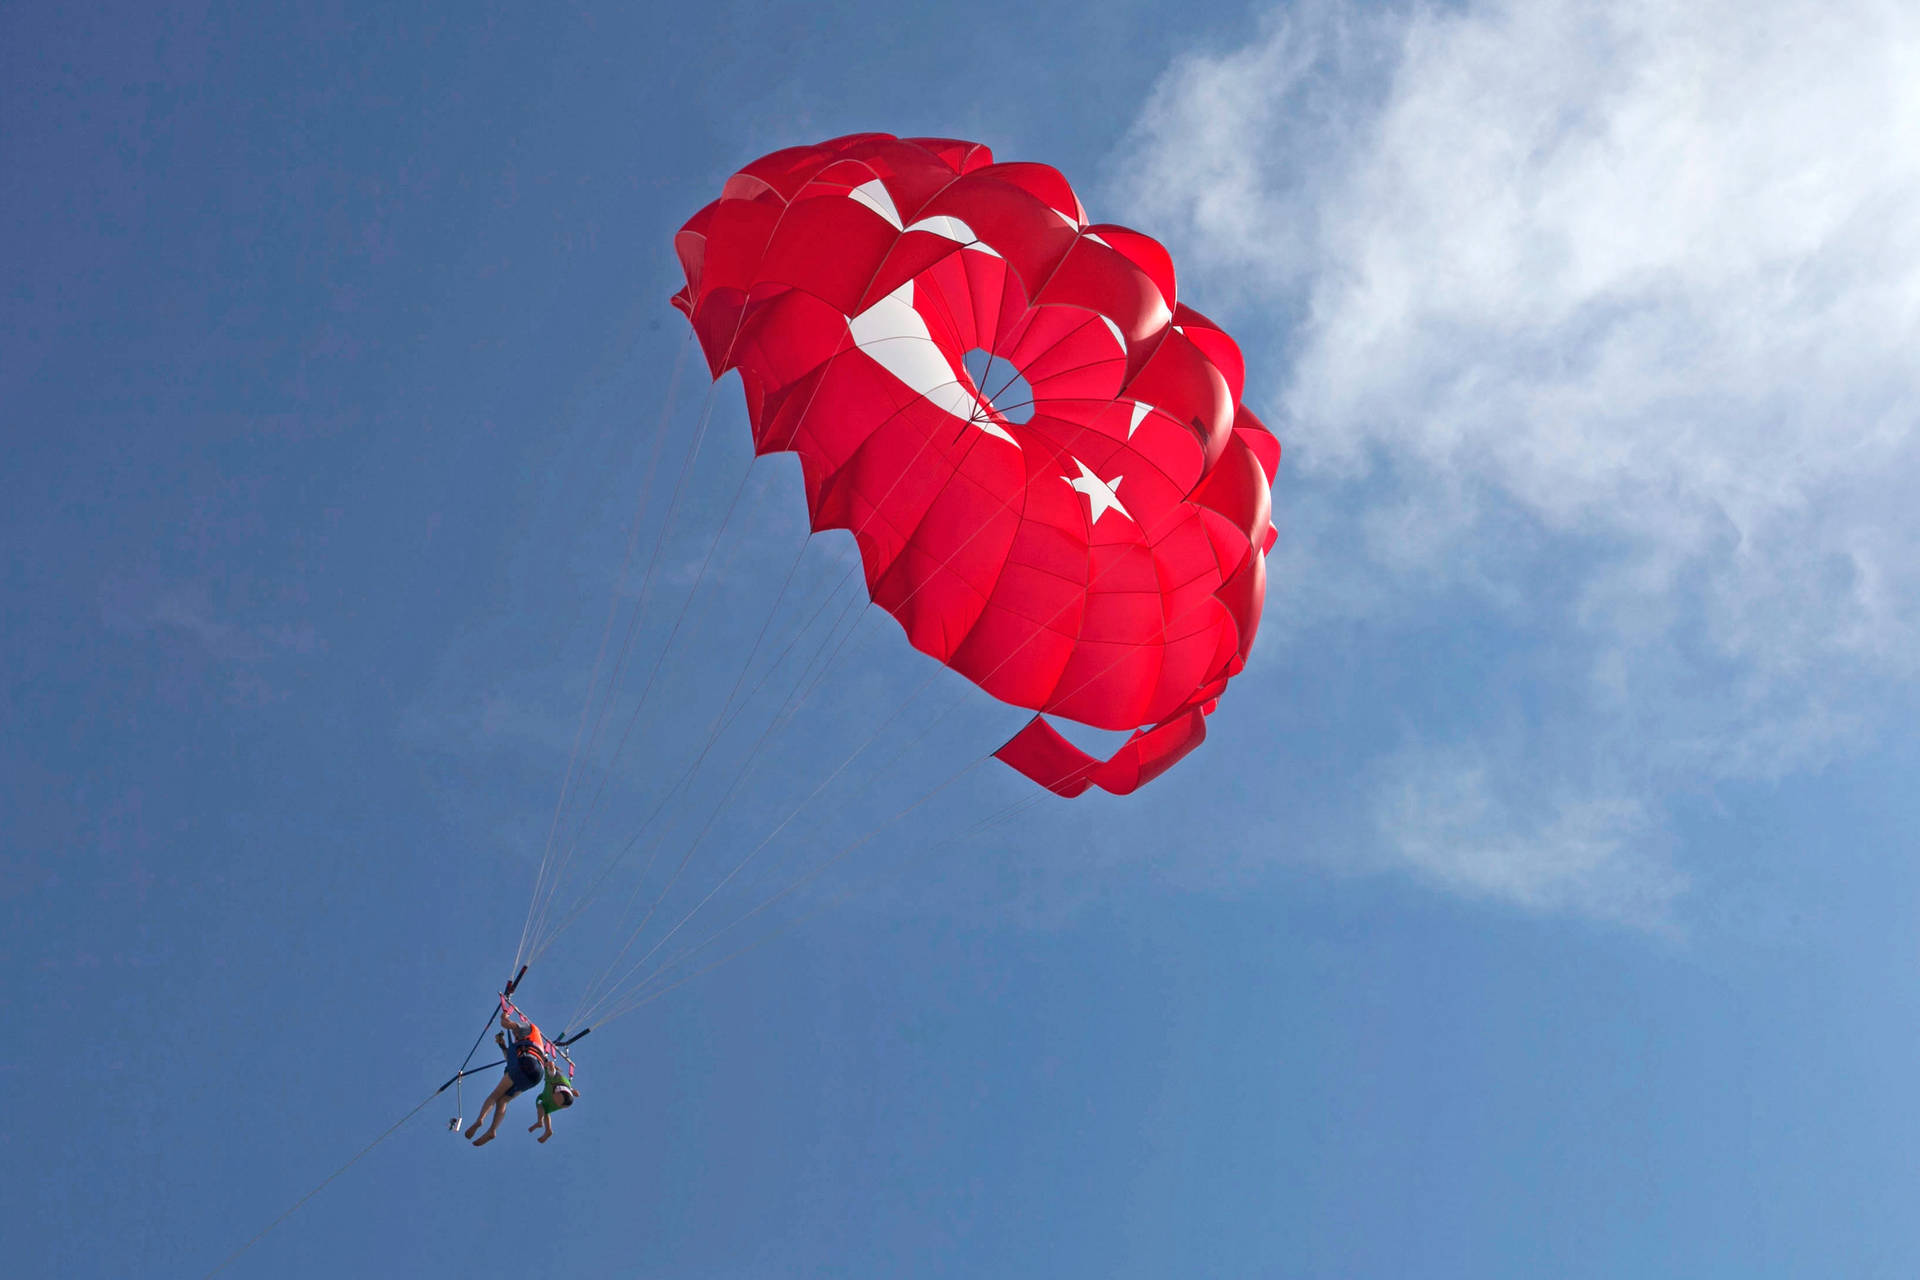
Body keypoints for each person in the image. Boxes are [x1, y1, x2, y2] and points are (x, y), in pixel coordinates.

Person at [464, 1007, 552, 1147]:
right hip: (535, 1076)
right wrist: (502, 1045)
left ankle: (479, 1120)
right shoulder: (530, 1044)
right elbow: (511, 1061)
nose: (515, 1035)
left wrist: (503, 1016)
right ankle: (492, 1131)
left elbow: (506, 1024)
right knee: (503, 1100)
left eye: (515, 1033)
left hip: (526, 1065)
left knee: (495, 1095)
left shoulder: (529, 1027)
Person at [527, 1064, 579, 1144]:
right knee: (546, 1110)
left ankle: (540, 1121)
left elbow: (551, 1065)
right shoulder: (563, 1080)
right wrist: (574, 1092)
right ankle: (548, 1129)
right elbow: (571, 1090)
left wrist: (548, 1064)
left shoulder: (552, 1074)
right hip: (565, 1102)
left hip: (559, 1096)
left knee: (541, 1105)